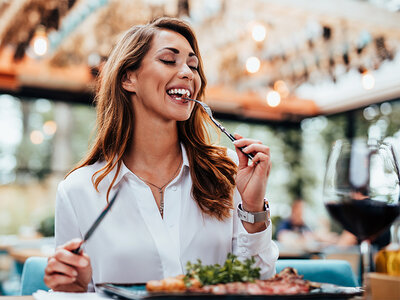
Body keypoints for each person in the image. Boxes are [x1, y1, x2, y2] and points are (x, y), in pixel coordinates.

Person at [44, 17, 278, 292]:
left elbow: (256, 284)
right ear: (128, 78)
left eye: (193, 65)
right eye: (169, 60)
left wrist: (252, 211)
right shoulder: (77, 191)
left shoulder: (228, 171)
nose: (188, 73)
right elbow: (71, 291)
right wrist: (75, 288)